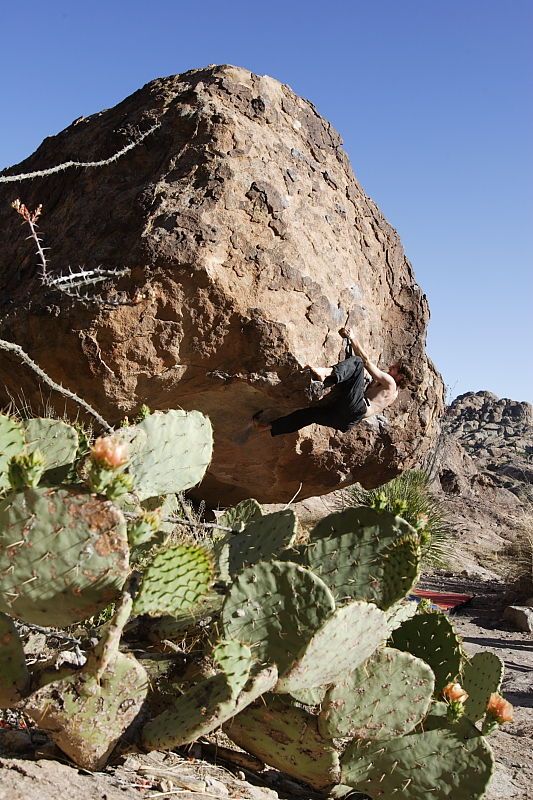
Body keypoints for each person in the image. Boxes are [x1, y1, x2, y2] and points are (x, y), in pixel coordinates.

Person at [253, 327, 410, 436]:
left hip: (356, 407)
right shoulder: (393, 394)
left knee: (357, 363)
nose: (390, 367)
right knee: (309, 415)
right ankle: (268, 427)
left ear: (401, 377)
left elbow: (366, 362)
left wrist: (353, 338)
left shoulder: (390, 382)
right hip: (347, 421)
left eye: (395, 368)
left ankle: (326, 373)